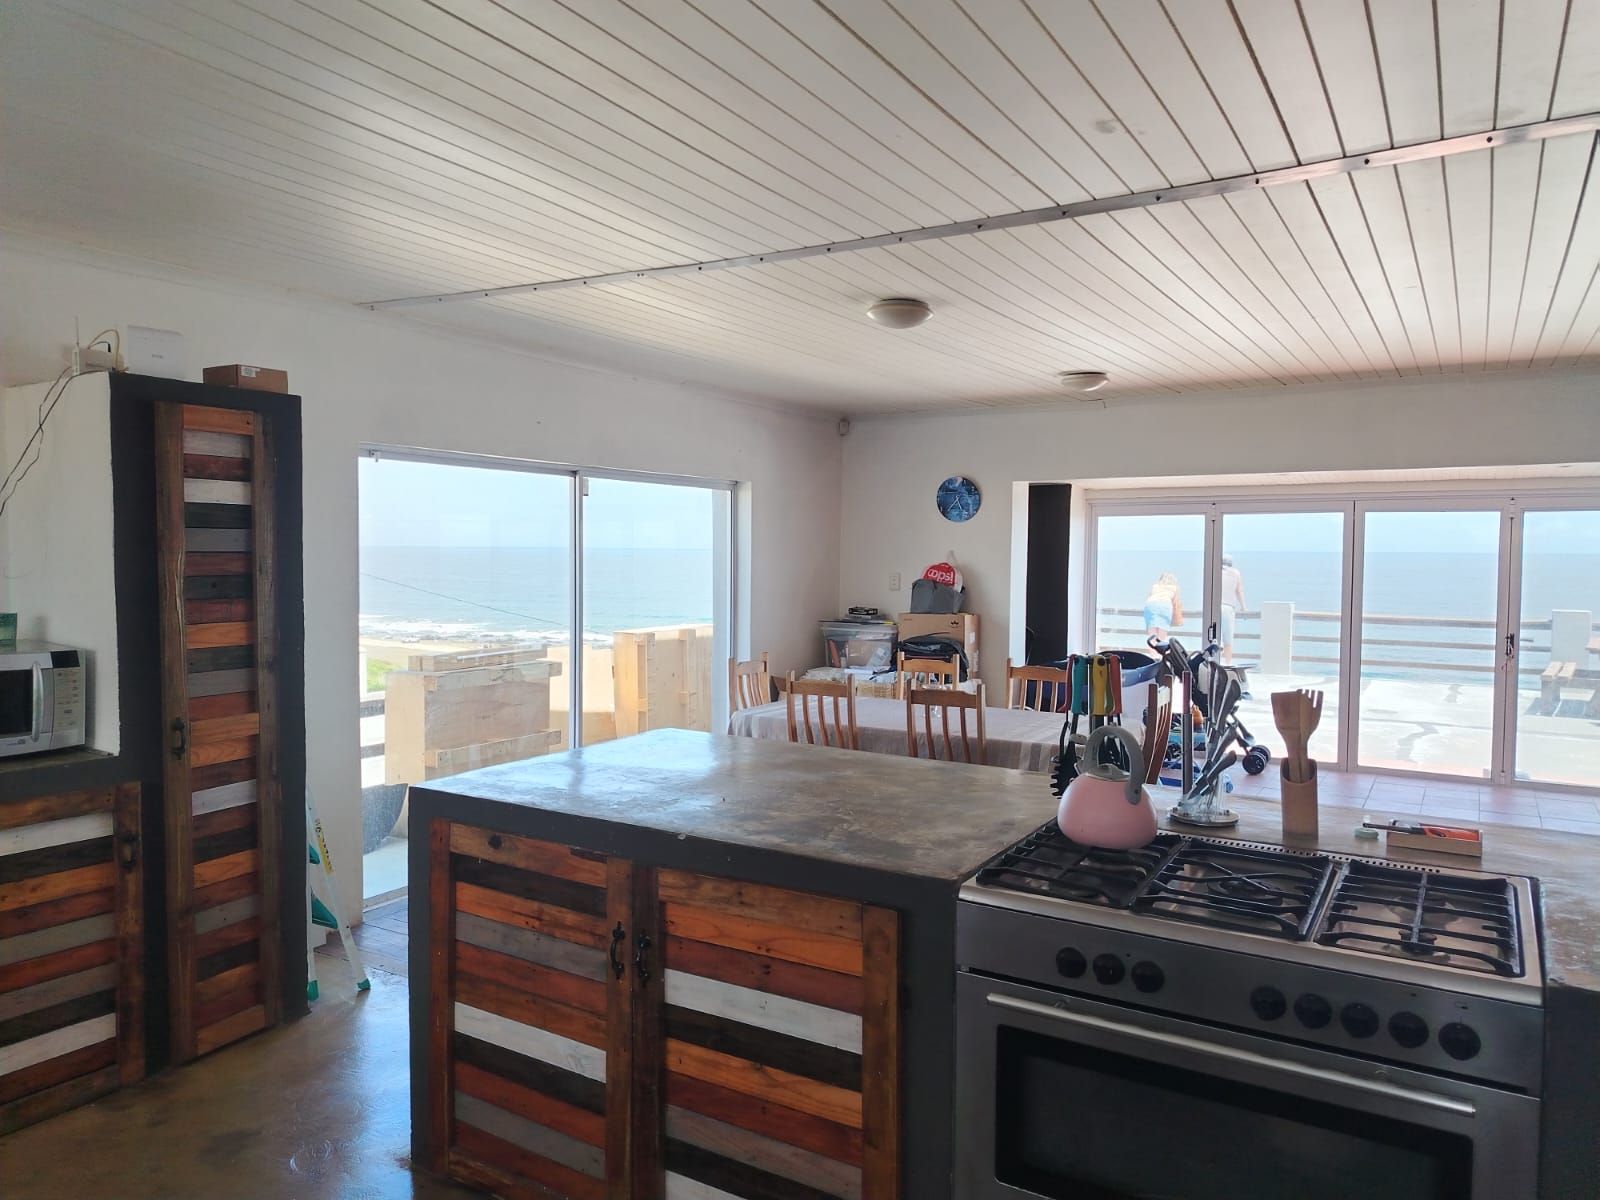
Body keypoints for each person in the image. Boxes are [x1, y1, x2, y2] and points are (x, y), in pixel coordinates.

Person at [1220, 553, 1247, 664]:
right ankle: (1228, 663)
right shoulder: (1235, 573)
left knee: (1214, 637)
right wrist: (1243, 607)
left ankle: (1213, 662)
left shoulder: (1216, 572)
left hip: (1215, 606)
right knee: (1228, 639)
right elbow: (1239, 591)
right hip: (1228, 607)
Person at [1143, 572, 1183, 642]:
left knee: (1152, 635)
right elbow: (1176, 604)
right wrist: (1178, 620)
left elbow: (1149, 597)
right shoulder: (1174, 588)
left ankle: (1152, 648)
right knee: (1162, 632)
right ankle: (1160, 647)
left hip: (1150, 605)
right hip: (1165, 605)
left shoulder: (1155, 586)